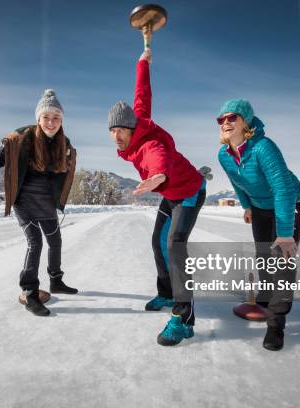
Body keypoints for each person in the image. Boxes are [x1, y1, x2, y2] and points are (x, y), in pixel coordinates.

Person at [108, 47, 207, 346]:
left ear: (132, 128)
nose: (117, 135)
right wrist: (142, 63)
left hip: (189, 191)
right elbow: (142, 95)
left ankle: (184, 318)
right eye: (113, 130)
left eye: (122, 129)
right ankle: (166, 293)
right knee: (157, 242)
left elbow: (158, 158)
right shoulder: (139, 120)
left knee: (175, 246)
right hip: (170, 193)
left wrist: (158, 176)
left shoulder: (149, 145)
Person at [216, 99, 300, 351]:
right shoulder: (224, 155)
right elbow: (237, 182)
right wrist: (246, 205)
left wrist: (286, 234)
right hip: (259, 206)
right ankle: (266, 305)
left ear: (246, 121)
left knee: (282, 259)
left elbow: (283, 189)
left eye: (232, 117)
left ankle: (276, 324)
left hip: (290, 202)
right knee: (263, 256)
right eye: (221, 119)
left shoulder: (263, 147)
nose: (225, 122)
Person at [0, 89, 78, 317]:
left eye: (56, 118)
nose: (51, 122)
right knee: (36, 243)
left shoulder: (64, 143)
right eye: (46, 117)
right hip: (23, 201)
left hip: (45, 202)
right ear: (38, 118)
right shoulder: (21, 139)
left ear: (61, 120)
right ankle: (30, 292)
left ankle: (56, 281)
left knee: (56, 241)